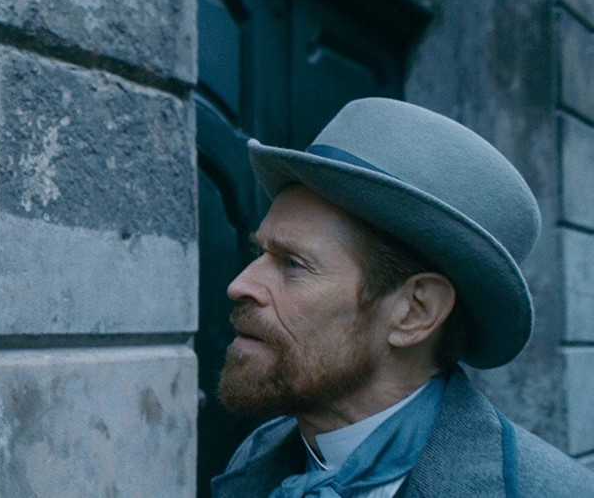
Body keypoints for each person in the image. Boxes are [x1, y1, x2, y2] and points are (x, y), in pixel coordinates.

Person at [210, 98, 594, 497]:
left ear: (415, 312)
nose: (240, 285)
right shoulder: (256, 457)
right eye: (260, 253)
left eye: (293, 263)